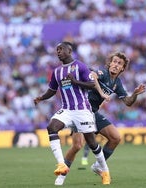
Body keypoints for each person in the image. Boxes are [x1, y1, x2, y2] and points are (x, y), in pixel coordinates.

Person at [55, 52, 146, 185]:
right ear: (109, 63)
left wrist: (135, 94)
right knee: (77, 145)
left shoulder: (117, 83)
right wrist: (102, 93)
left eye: (119, 63)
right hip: (80, 111)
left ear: (122, 68)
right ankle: (61, 176)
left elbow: (127, 102)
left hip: (93, 113)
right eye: (114, 62)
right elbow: (94, 77)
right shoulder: (102, 73)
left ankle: (98, 165)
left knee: (116, 137)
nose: (115, 65)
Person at [34, 41, 111, 185]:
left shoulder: (80, 66)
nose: (58, 52)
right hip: (67, 110)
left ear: (69, 51)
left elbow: (92, 84)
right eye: (56, 50)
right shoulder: (57, 71)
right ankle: (61, 165)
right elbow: (52, 90)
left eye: (61, 49)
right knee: (52, 127)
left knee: (92, 143)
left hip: (82, 110)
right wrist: (41, 98)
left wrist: (75, 81)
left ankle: (105, 171)